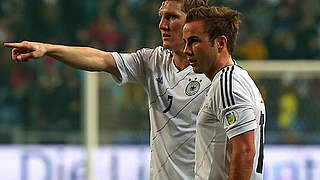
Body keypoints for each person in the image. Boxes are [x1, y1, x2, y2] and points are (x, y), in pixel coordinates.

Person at [4, 0, 211, 179]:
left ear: (193, 23)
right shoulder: (152, 61)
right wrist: (48, 49)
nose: (162, 25)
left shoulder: (219, 76)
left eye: (171, 17)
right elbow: (101, 59)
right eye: (161, 17)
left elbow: (242, 145)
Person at [182, 6, 266, 180]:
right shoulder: (237, 78)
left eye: (194, 41)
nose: (186, 50)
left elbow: (245, 151)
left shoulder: (227, 83)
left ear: (220, 43)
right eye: (185, 42)